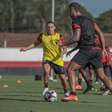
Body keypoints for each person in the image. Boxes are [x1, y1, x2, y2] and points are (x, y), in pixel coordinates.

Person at [61, 2, 112, 102]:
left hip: (86, 50)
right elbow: (100, 33)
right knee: (102, 76)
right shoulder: (90, 20)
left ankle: (73, 94)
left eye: (70, 11)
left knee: (70, 69)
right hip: (96, 51)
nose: (70, 13)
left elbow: (76, 38)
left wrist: (63, 44)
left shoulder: (76, 20)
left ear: (73, 10)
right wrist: (102, 49)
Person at [20, 21, 69, 96]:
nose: (50, 28)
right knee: (46, 71)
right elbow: (35, 44)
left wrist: (62, 53)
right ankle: (46, 88)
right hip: (47, 58)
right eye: (48, 27)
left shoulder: (59, 36)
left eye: (51, 27)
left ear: (54, 28)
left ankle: (66, 92)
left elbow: (65, 48)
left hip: (57, 60)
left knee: (63, 78)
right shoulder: (42, 35)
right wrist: (26, 48)